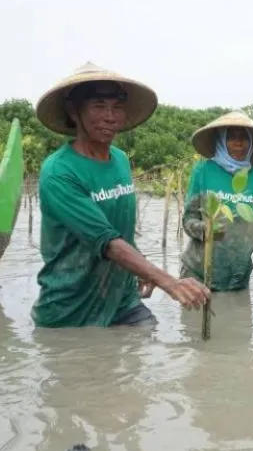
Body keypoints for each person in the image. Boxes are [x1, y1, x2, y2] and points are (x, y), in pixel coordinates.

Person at [31, 62, 210, 328]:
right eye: (99, 106)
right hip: (70, 311)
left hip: (123, 302)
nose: (110, 116)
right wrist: (168, 281)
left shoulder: (120, 160)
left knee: (144, 351)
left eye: (117, 107)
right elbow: (106, 241)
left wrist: (142, 268)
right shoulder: (59, 172)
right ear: (73, 111)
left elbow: (120, 230)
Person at [179, 110, 253, 291]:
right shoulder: (203, 171)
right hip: (197, 272)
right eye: (232, 137)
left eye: (244, 137)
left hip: (238, 277)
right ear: (221, 141)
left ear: (251, 143)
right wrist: (204, 230)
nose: (238, 142)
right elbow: (188, 219)